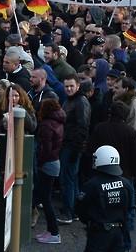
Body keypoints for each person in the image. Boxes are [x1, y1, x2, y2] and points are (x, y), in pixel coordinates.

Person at [76, 145, 135, 252]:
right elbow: (130, 208)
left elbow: (80, 209)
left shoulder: (91, 185)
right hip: (119, 233)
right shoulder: (126, 184)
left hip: (99, 234)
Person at [58, 74, 91, 224]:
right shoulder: (70, 100)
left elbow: (82, 128)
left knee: (68, 179)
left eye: (71, 86)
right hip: (68, 144)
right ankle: (74, 210)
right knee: (71, 179)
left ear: (78, 86)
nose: (69, 89)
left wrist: (77, 150)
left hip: (72, 146)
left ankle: (68, 212)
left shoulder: (80, 102)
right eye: (66, 86)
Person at [34, 99, 64, 244]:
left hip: (47, 164)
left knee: (45, 200)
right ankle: (51, 231)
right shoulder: (58, 122)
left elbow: (45, 148)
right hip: (54, 162)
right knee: (43, 198)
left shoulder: (46, 125)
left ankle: (54, 233)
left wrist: (39, 162)